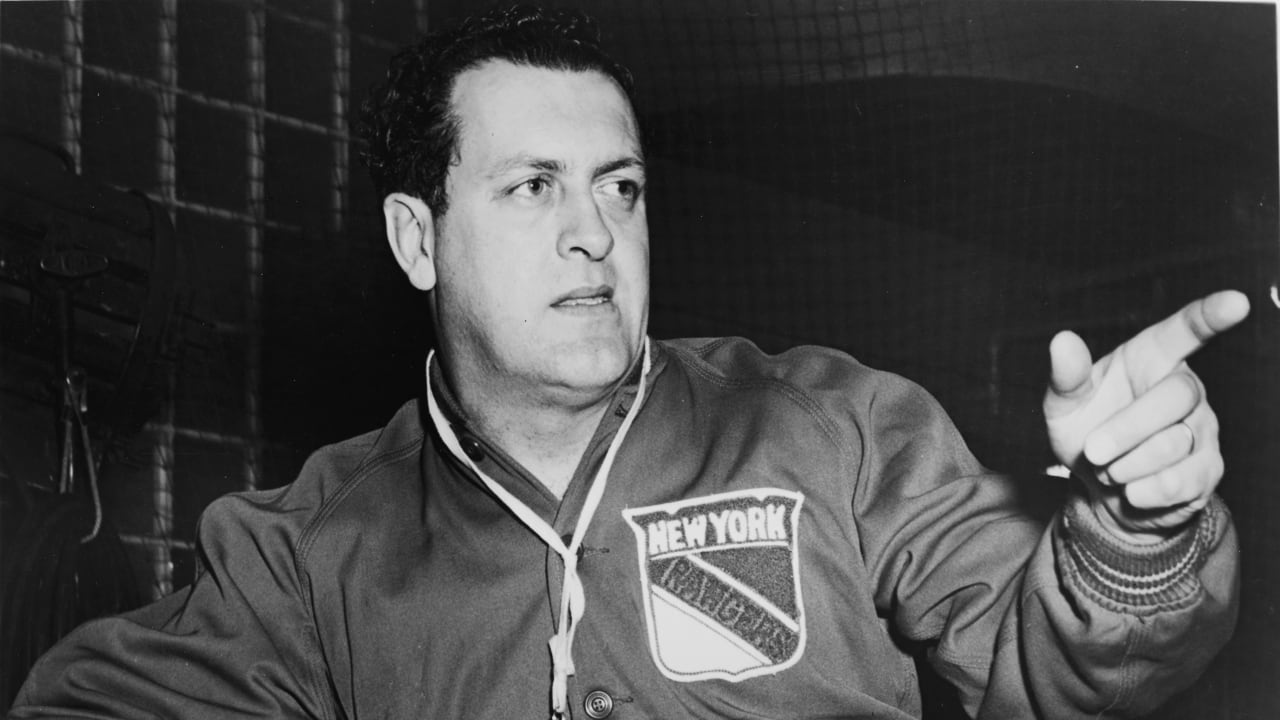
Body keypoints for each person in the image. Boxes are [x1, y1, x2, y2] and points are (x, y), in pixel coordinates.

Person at [9, 5, 1249, 719]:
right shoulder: (306, 551)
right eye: (531, 186)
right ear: (414, 238)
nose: (592, 232)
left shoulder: (832, 427)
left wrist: (1131, 531)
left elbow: (1058, 674)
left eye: (619, 186)